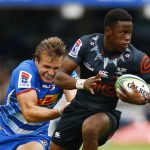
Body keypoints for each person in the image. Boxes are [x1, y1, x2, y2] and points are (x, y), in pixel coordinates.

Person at [50, 8, 150, 150]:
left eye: (130, 33)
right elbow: (59, 77)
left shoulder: (137, 59)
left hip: (106, 114)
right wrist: (83, 83)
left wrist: (143, 99)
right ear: (108, 31)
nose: (128, 37)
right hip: (76, 109)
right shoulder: (86, 43)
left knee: (89, 128)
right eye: (123, 32)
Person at [0, 37, 77, 150]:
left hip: (35, 136)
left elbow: (75, 101)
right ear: (36, 60)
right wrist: (61, 111)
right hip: (4, 130)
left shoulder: (66, 72)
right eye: (47, 67)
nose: (51, 73)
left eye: (56, 68)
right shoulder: (26, 71)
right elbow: (29, 113)